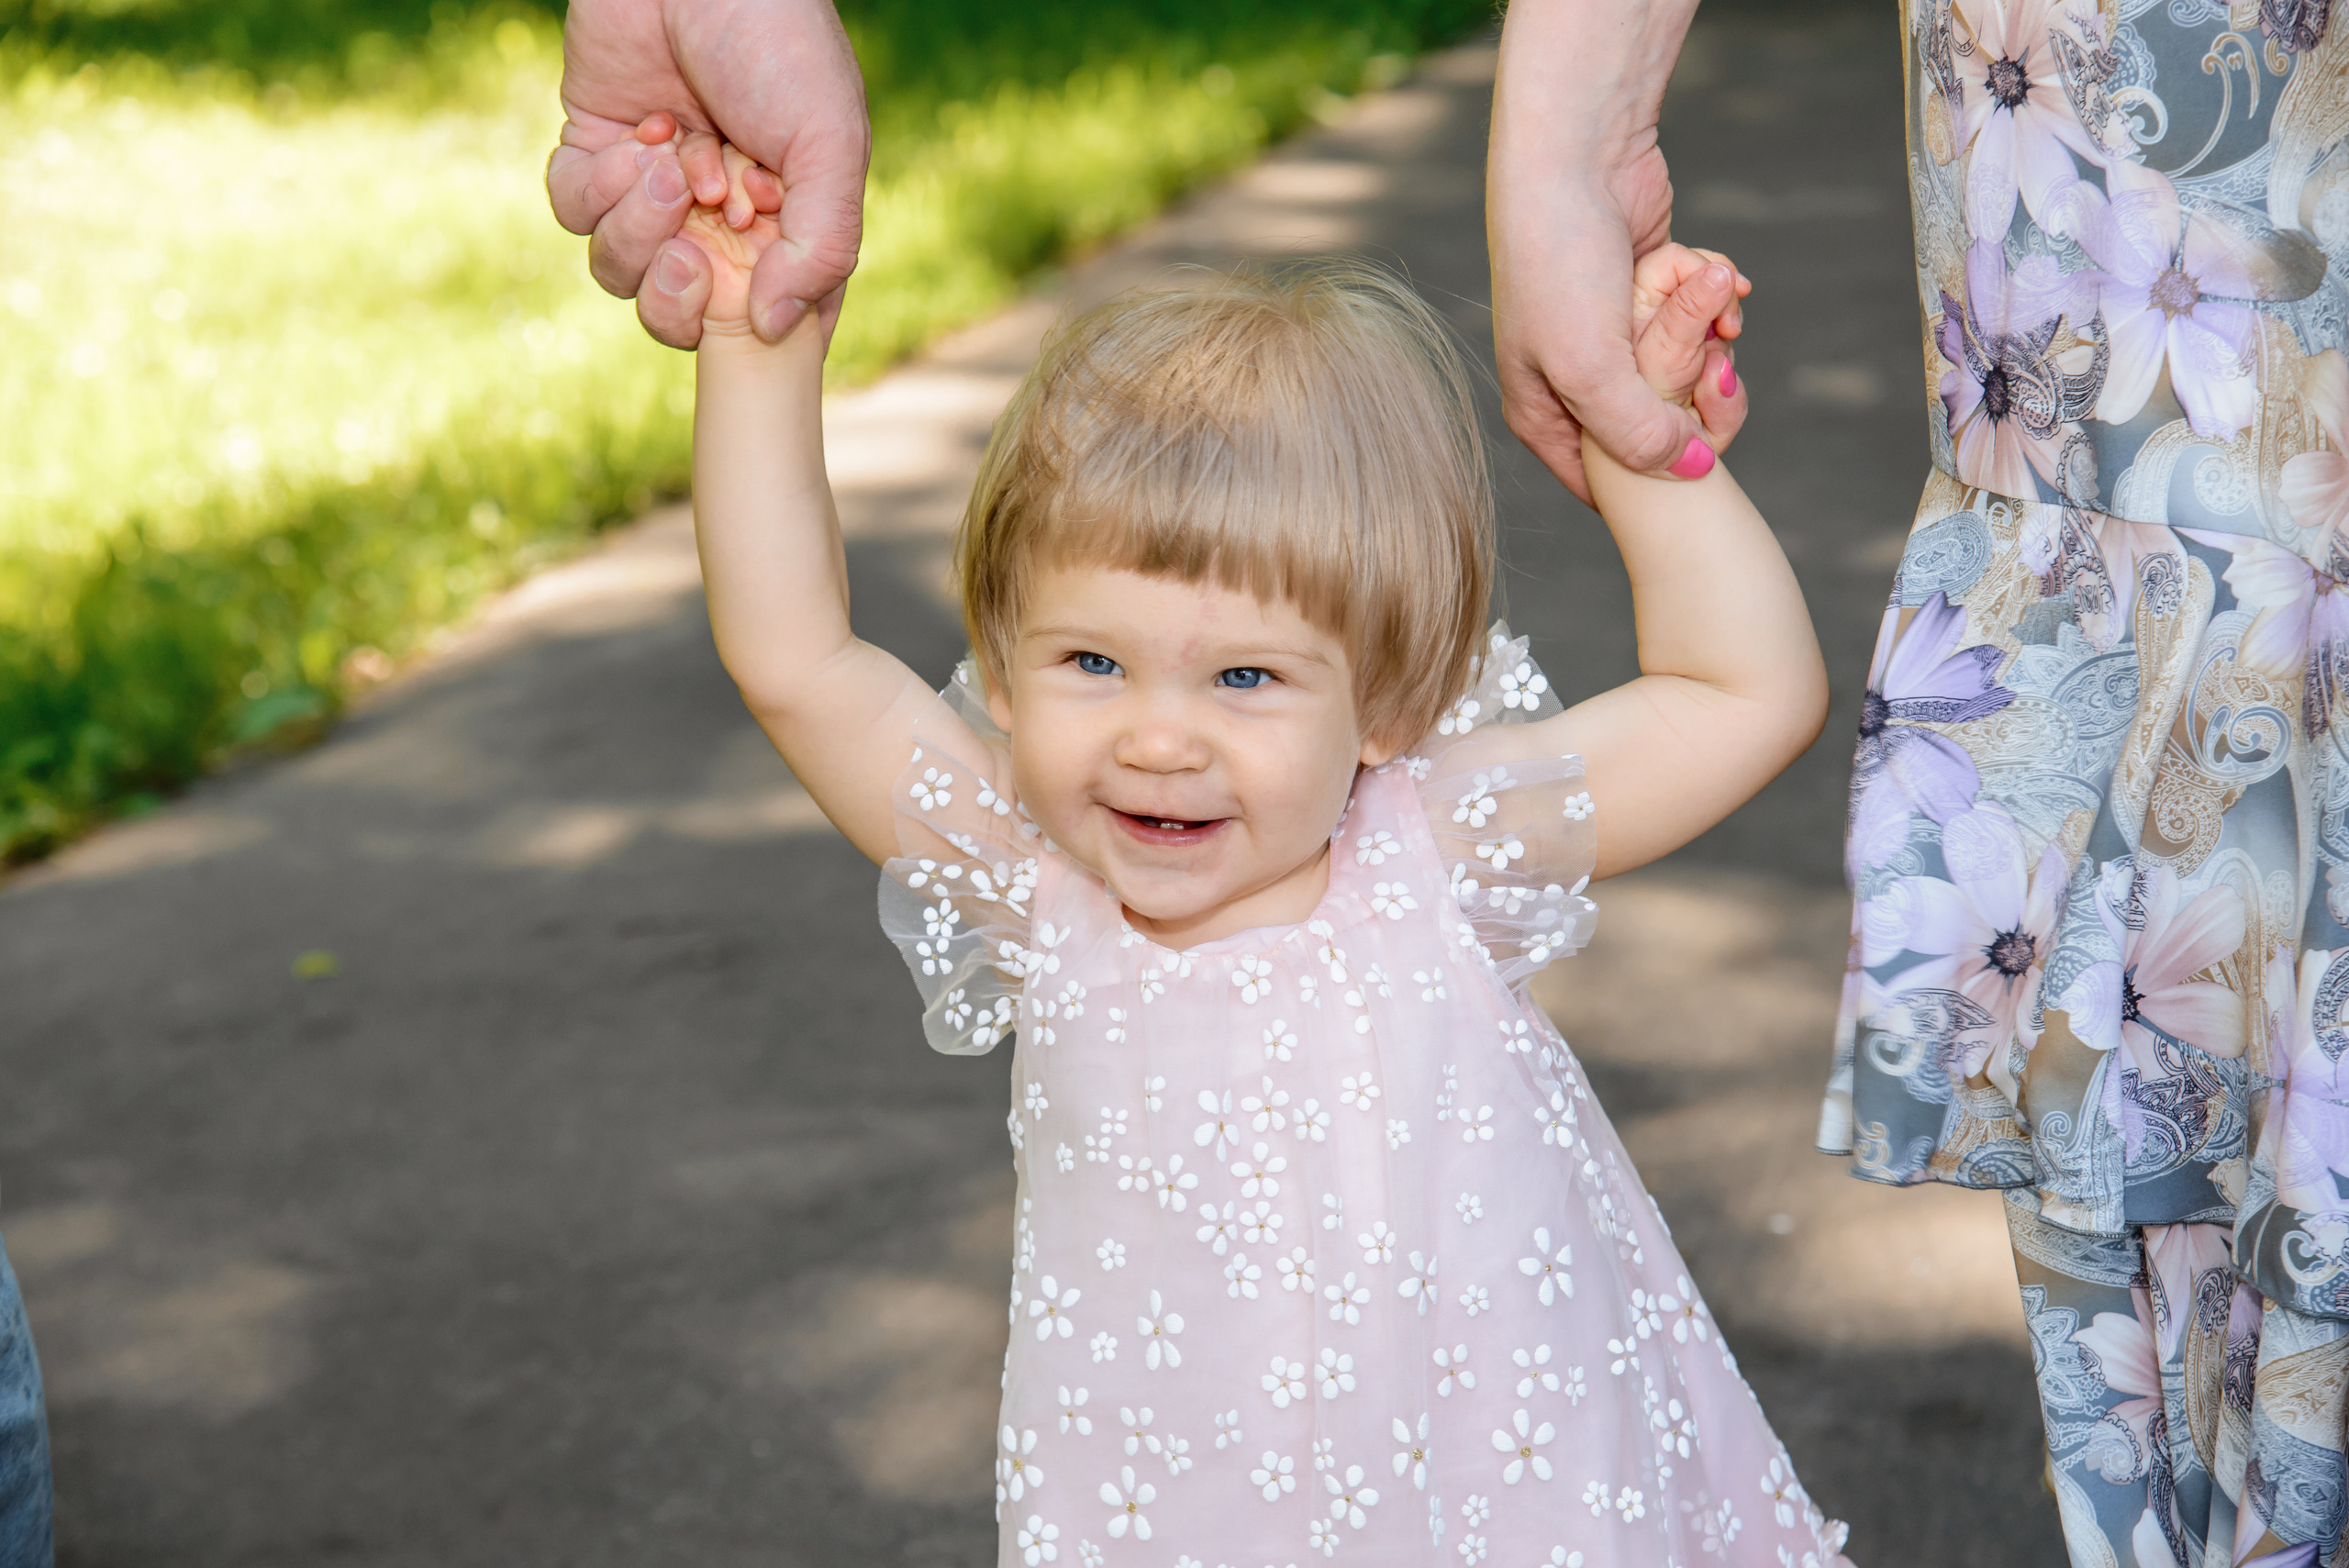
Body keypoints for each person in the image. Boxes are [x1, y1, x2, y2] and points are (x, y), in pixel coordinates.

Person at [667, 119, 1844, 1561]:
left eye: (1243, 678)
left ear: (1392, 697)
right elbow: (796, 656)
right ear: (1003, 652)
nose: (1159, 738)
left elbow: (1749, 694)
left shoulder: (1430, 847)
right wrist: (756, 336)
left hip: (1500, 1505)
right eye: (1092, 663)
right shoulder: (1038, 880)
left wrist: (1646, 446)